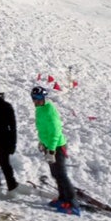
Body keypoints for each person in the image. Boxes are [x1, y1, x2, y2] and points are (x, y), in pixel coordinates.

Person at [32, 86, 79, 214]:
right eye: (34, 98)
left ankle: (73, 203)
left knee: (62, 175)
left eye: (38, 98)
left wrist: (52, 150)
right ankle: (63, 198)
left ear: (44, 98)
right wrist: (42, 143)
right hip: (49, 146)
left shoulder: (49, 111)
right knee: (55, 174)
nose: (36, 101)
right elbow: (42, 129)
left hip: (57, 146)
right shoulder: (39, 110)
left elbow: (56, 132)